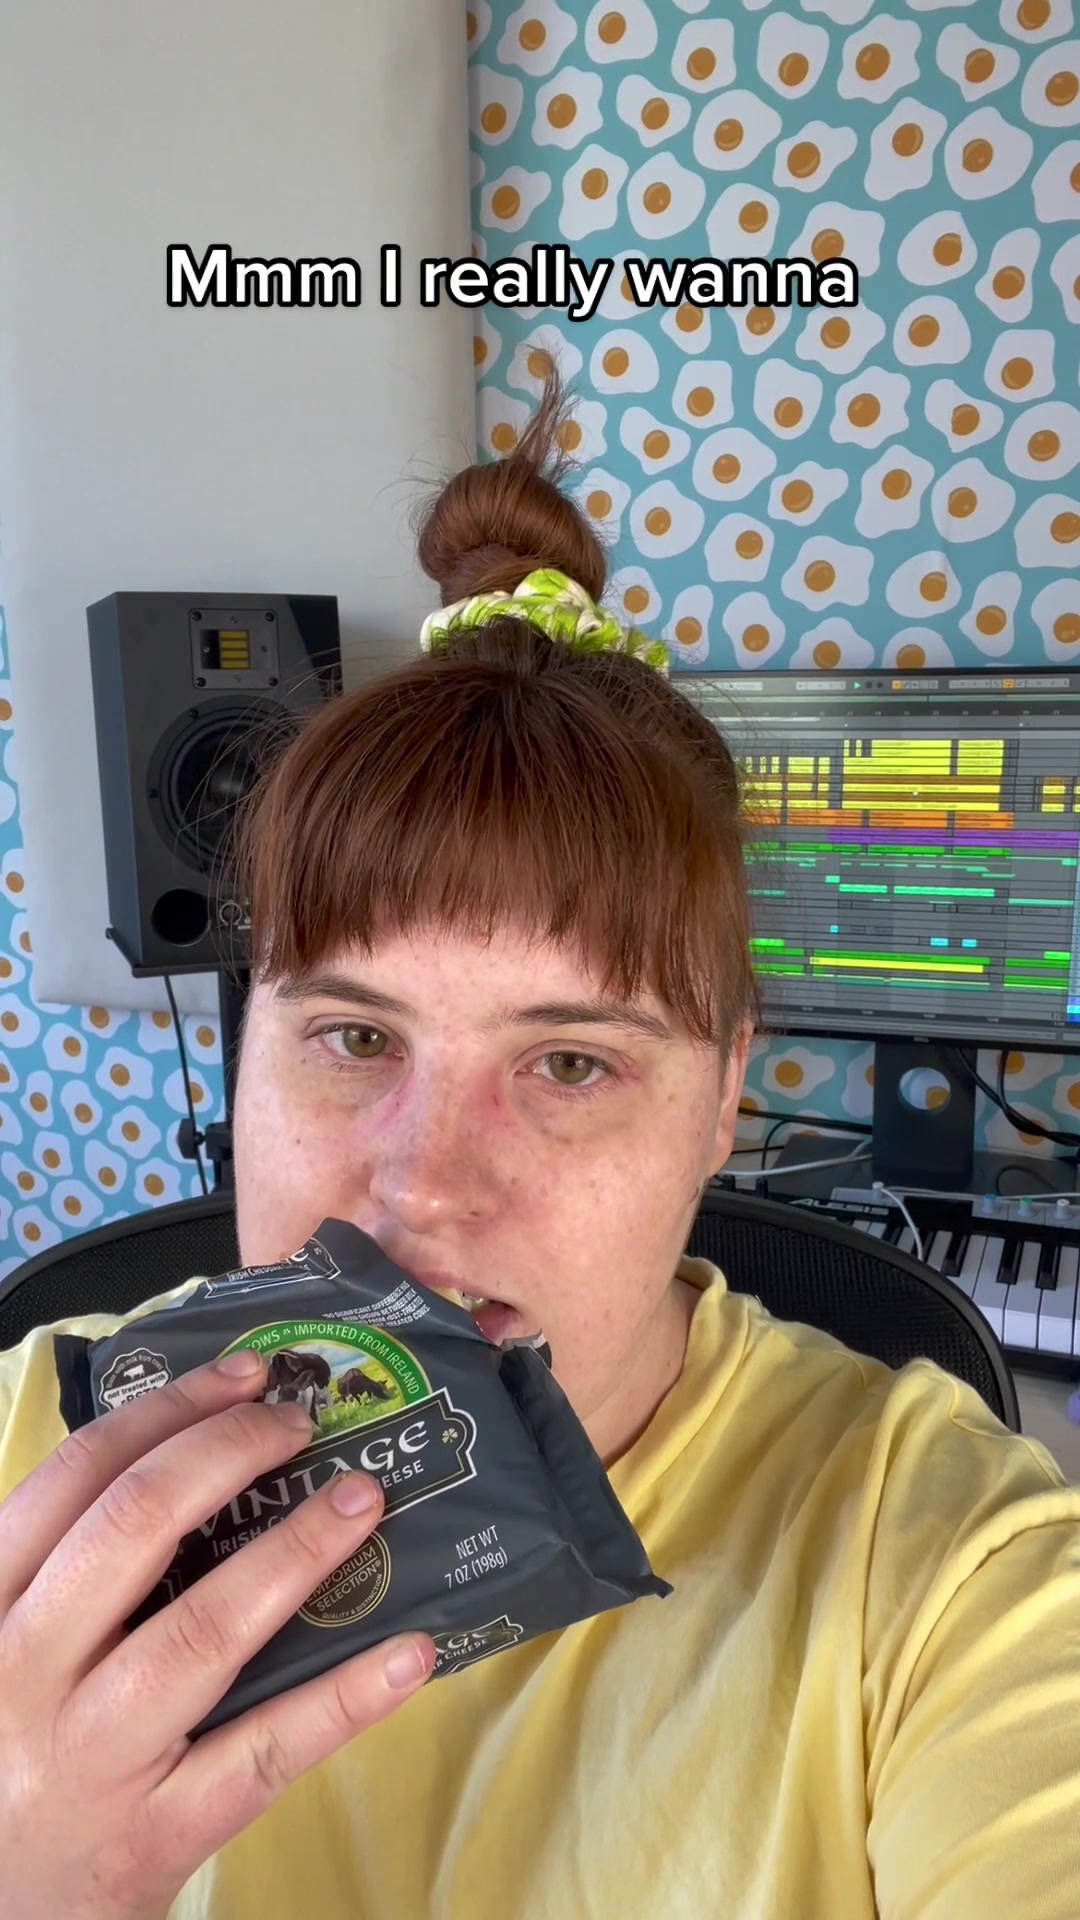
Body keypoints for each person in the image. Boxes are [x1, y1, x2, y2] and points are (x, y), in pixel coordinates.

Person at [2, 378, 1080, 1920]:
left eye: (571, 1063)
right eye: (354, 1036)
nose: (425, 1186)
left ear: (725, 1097)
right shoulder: (23, 1447)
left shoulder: (946, 1575)